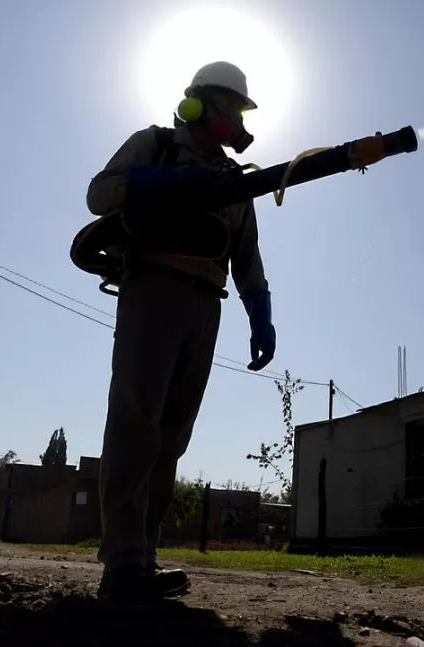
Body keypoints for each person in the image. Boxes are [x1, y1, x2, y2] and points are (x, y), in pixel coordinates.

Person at [84, 61, 276, 602]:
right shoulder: (155, 145)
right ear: (197, 105)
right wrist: (167, 182)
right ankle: (120, 565)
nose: (235, 119)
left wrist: (260, 315)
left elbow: (249, 258)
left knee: (171, 436)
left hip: (205, 303)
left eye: (240, 111)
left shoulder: (237, 183)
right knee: (135, 421)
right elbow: (100, 195)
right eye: (230, 108)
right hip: (153, 286)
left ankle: (142, 560)